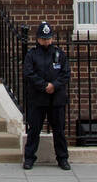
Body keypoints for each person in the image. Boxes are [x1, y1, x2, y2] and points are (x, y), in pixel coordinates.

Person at [22, 21, 71, 170]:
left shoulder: (59, 54)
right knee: (34, 130)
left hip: (56, 99)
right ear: (38, 38)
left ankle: (62, 158)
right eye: (44, 38)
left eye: (49, 38)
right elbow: (29, 73)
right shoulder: (32, 55)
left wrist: (54, 85)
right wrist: (44, 86)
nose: (46, 41)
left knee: (59, 130)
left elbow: (65, 73)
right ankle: (29, 158)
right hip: (38, 99)